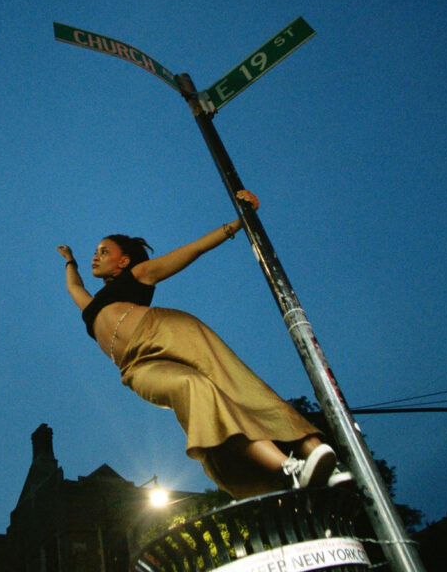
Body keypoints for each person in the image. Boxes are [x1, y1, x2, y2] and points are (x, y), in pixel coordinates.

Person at [56, 190, 350, 499]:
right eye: (95, 251)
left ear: (123, 261)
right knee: (193, 388)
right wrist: (70, 261)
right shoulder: (90, 307)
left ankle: (310, 454)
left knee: (235, 383)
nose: (96, 255)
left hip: (165, 331)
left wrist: (240, 223)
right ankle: (285, 469)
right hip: (136, 366)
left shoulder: (139, 274)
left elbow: (192, 250)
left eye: (104, 251)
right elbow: (74, 286)